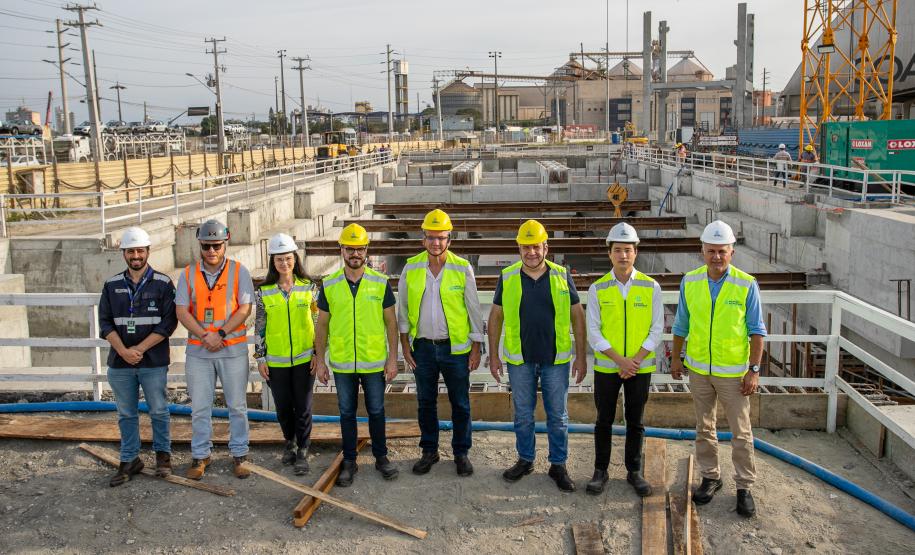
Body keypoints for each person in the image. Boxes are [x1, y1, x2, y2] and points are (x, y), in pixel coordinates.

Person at [671, 220, 766, 518]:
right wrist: (676, 358)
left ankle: (744, 487)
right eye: (711, 251)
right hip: (699, 370)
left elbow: (757, 331)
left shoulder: (746, 284)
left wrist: (754, 369)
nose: (716, 257)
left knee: (741, 432)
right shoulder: (691, 281)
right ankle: (711, 477)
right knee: (704, 427)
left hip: (734, 375)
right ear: (702, 251)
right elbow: (681, 324)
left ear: (731, 252)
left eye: (721, 251)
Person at [487, 220, 587, 492]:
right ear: (518, 248)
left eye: (536, 246)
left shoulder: (561, 275)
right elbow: (496, 316)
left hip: (556, 359)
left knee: (558, 416)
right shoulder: (507, 276)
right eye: (525, 247)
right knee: (522, 414)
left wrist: (581, 356)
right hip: (521, 360)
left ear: (546, 247)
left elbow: (577, 315)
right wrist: (494, 356)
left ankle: (558, 464)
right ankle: (526, 459)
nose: (531, 252)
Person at [398, 209, 485, 477]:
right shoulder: (411, 267)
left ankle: (461, 453)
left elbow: (473, 310)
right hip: (422, 348)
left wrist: (475, 347)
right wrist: (404, 345)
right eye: (431, 238)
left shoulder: (462, 268)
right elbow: (402, 309)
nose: (436, 243)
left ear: (449, 239)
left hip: (455, 349)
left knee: (460, 403)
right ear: (423, 238)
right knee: (425, 402)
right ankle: (429, 451)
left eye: (441, 238)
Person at [313, 223, 399, 486]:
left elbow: (391, 324)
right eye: (350, 249)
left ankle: (381, 457)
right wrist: (320, 361)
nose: (355, 254)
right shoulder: (329, 285)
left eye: (359, 249)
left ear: (366, 251)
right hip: (342, 363)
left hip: (373, 362)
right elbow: (322, 325)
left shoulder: (380, 283)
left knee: (376, 410)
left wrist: (393, 359)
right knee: (346, 413)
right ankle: (349, 460)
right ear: (341, 250)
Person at [584, 223, 664, 497]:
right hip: (608, 367)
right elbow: (594, 332)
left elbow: (657, 329)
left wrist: (635, 360)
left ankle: (634, 471)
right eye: (617, 250)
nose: (623, 255)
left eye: (627, 250)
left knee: (636, 420)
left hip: (639, 368)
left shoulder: (650, 287)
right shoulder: (598, 289)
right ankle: (600, 470)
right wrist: (620, 360)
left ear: (635, 252)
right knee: (603, 420)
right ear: (610, 254)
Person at [175, 219, 255, 481]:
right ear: (200, 244)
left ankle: (240, 454)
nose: (211, 251)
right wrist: (204, 336)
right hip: (200, 352)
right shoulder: (188, 274)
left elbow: (244, 309)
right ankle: (200, 455)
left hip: (231, 350)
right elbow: (181, 311)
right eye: (207, 246)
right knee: (199, 407)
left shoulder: (238, 272)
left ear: (225, 243)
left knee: (237, 405)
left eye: (216, 246)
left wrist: (220, 334)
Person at [99, 227, 178, 486]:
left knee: (159, 410)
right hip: (120, 363)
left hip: (153, 362)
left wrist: (140, 350)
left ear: (147, 252)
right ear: (124, 253)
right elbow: (105, 323)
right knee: (126, 414)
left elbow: (168, 324)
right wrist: (123, 351)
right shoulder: (112, 286)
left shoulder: (163, 284)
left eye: (139, 251)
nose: (135, 255)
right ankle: (129, 459)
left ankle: (163, 458)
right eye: (130, 251)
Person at [254, 233, 317, 475]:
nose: (284, 263)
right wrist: (260, 358)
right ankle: (289, 442)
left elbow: (318, 321)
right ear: (273, 262)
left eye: (288, 258)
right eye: (279, 259)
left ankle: (303, 448)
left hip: (304, 359)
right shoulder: (264, 292)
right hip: (276, 361)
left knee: (303, 405)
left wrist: (317, 354)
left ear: (295, 259)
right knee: (282, 406)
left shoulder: (309, 289)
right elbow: (259, 327)